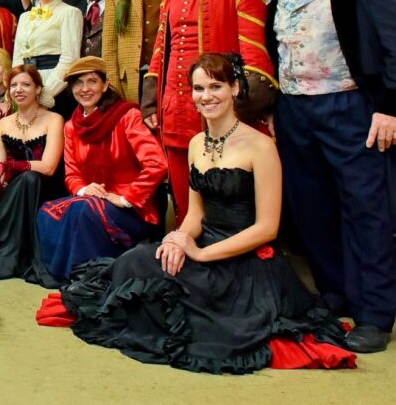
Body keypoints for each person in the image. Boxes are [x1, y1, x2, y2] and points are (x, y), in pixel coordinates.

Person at [36, 54, 356, 374]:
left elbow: (267, 228)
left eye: (216, 87)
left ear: (234, 88)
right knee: (135, 262)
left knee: (199, 318)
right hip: (202, 243)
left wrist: (201, 254)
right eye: (199, 88)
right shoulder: (196, 143)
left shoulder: (261, 146)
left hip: (244, 260)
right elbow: (194, 214)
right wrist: (177, 239)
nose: (206, 96)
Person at [264, 0, 396, 353]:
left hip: (350, 107)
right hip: (295, 110)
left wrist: (393, 107)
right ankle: (336, 293)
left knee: (364, 210)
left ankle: (374, 314)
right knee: (312, 209)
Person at [142, 0, 276, 225]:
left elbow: (254, 54)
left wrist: (250, 106)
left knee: (227, 203)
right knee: (183, 198)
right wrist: (151, 102)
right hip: (176, 112)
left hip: (222, 110)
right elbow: (160, 52)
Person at [36, 57, 167, 282]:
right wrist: (84, 189)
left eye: (92, 81)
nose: (84, 89)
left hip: (133, 209)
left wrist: (127, 198)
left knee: (85, 210)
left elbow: (157, 163)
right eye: (78, 83)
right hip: (91, 201)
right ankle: (68, 274)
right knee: (47, 211)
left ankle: (88, 277)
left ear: (106, 85)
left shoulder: (128, 116)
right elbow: (72, 174)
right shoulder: (71, 126)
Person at [0, 66, 63, 280]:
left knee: (29, 178)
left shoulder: (54, 119)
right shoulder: (3, 124)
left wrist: (14, 166)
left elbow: (48, 167)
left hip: (41, 187)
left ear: (38, 89)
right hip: (12, 187)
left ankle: (24, 256)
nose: (19, 90)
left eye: (26, 84)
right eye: (14, 85)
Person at [12, 0, 83, 117]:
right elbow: (17, 58)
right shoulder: (25, 17)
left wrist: (44, 96)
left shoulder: (70, 12)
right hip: (26, 90)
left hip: (57, 90)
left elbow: (70, 59)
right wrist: (19, 88)